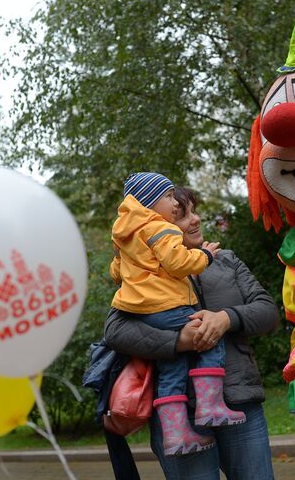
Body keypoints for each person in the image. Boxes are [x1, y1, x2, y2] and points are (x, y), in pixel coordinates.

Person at [105, 186, 279, 480]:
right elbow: (116, 330)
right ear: (155, 223)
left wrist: (227, 318)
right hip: (178, 413)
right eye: (182, 215)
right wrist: (178, 341)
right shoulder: (142, 277)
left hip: (239, 401)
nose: (195, 220)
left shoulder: (226, 261)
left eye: (194, 211)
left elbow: (268, 312)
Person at [110, 172, 245, 458]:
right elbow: (177, 261)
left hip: (141, 308)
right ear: (149, 202)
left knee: (172, 367)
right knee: (207, 335)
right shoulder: (160, 227)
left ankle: (176, 434)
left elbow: (116, 272)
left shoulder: (127, 234)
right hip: (167, 304)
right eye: (169, 197)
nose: (173, 204)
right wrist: (205, 257)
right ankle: (210, 407)